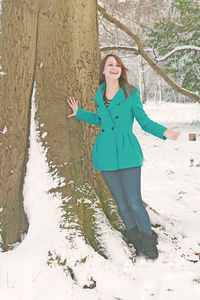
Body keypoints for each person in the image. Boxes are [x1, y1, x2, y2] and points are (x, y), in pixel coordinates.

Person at [66, 54, 181, 260]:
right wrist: (79, 113)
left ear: (121, 70)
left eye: (117, 65)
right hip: (106, 153)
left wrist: (164, 132)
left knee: (134, 202)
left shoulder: (131, 93)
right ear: (103, 70)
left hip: (127, 152)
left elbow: (144, 122)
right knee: (121, 203)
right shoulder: (99, 94)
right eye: (110, 64)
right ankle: (137, 241)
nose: (114, 68)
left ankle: (148, 241)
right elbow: (101, 120)